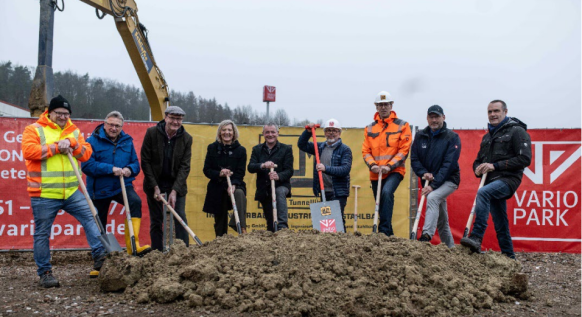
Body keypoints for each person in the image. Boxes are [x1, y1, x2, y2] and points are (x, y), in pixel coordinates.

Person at [22, 95, 106, 288]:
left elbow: (86, 154)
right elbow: (29, 152)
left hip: (71, 192)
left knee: (92, 217)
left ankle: (100, 255)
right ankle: (45, 272)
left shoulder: (73, 130)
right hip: (44, 193)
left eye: (66, 113)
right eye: (59, 113)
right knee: (42, 233)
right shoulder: (33, 129)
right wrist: (56, 147)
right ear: (49, 112)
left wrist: (73, 144)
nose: (63, 116)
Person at [461, 100, 531, 259]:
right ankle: (509, 256)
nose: (493, 115)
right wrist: (477, 169)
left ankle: (476, 236)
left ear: (505, 112)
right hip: (489, 181)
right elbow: (478, 160)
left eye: (496, 111)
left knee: (484, 194)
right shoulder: (487, 137)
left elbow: (525, 159)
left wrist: (495, 166)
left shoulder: (517, 131)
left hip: (508, 179)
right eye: (490, 112)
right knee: (500, 223)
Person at [82, 111, 152, 256]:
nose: (114, 128)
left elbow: (135, 164)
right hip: (99, 189)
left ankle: (133, 246)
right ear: (105, 124)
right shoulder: (92, 141)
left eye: (117, 126)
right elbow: (87, 166)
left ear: (122, 127)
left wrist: (129, 169)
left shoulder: (127, 141)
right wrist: (111, 169)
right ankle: (100, 257)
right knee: (99, 221)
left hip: (122, 185)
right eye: (111, 125)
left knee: (135, 202)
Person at [141, 106, 192, 251]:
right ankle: (157, 252)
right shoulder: (151, 133)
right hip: (154, 182)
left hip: (176, 184)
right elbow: (145, 161)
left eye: (179, 119)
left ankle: (183, 252)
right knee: (156, 220)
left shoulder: (187, 138)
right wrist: (155, 187)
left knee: (180, 217)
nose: (175, 122)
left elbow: (185, 166)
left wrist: (175, 190)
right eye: (173, 118)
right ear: (166, 118)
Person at [362, 91, 412, 236]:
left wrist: (389, 166)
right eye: (380, 105)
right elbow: (366, 151)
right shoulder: (370, 128)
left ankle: (382, 230)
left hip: (394, 171)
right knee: (380, 201)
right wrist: (373, 166)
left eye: (386, 104)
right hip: (375, 172)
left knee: (386, 192)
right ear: (376, 107)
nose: (383, 107)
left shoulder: (402, 125)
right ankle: (387, 234)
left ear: (391, 106)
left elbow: (404, 150)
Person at [410, 105, 461, 247]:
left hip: (449, 180)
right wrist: (423, 173)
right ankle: (450, 250)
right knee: (442, 221)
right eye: (431, 117)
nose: (434, 120)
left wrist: (433, 185)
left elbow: (449, 164)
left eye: (437, 117)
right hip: (430, 181)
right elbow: (414, 159)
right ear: (427, 118)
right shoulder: (420, 136)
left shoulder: (452, 137)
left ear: (443, 118)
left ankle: (426, 236)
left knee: (432, 197)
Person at [298, 119, 352, 231]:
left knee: (337, 219)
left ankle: (342, 242)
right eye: (328, 130)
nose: (331, 133)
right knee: (325, 221)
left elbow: (344, 170)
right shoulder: (320, 147)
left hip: (338, 191)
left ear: (339, 133)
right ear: (324, 133)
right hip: (323, 190)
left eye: (334, 130)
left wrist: (325, 168)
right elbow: (301, 145)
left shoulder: (345, 150)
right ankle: (327, 244)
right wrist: (307, 132)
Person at [203, 120, 248, 237]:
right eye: (224, 130)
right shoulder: (212, 148)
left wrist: (233, 184)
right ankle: (220, 241)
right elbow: (207, 170)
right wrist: (220, 173)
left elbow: (240, 172)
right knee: (219, 220)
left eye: (229, 130)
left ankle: (240, 226)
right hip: (217, 186)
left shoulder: (241, 150)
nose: (226, 132)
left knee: (239, 194)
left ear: (234, 133)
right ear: (220, 132)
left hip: (234, 185)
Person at [247, 123, 294, 232]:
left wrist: (278, 176)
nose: (270, 134)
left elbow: (289, 170)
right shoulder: (257, 149)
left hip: (281, 185)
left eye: (273, 132)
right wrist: (262, 165)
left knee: (279, 192)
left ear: (277, 133)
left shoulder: (286, 149)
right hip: (264, 189)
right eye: (267, 132)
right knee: (271, 223)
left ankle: (283, 227)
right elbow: (250, 167)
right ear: (263, 134)